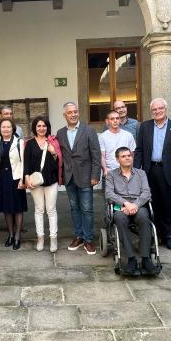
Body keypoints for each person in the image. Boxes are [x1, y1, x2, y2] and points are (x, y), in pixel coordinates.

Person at [134, 98, 171, 250]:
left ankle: (166, 236)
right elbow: (139, 150)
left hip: (167, 172)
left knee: (166, 205)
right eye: (154, 110)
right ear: (151, 111)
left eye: (160, 109)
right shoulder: (144, 127)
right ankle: (153, 235)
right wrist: (135, 171)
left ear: (166, 109)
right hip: (149, 170)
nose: (157, 111)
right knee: (150, 205)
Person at [56, 102, 101, 255]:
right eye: (70, 112)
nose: (73, 114)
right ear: (65, 115)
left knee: (87, 209)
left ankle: (88, 240)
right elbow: (60, 155)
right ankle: (78, 236)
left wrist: (96, 175)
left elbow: (96, 154)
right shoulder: (60, 133)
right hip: (69, 177)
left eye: (75, 111)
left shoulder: (89, 130)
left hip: (86, 177)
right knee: (74, 209)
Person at [105, 147, 156, 275]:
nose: (127, 158)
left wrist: (134, 205)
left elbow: (146, 192)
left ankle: (145, 258)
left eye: (129, 155)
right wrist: (126, 204)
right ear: (118, 159)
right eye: (123, 156)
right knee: (120, 220)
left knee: (145, 218)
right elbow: (109, 193)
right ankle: (131, 258)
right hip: (121, 207)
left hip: (139, 207)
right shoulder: (111, 174)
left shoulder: (141, 173)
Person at [23, 116, 62, 253]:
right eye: (38, 126)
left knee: (51, 210)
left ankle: (53, 239)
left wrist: (54, 152)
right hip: (35, 181)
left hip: (51, 180)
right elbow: (26, 163)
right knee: (39, 210)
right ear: (35, 127)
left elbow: (59, 163)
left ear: (47, 127)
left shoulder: (53, 141)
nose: (41, 128)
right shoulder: (29, 143)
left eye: (44, 126)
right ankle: (40, 238)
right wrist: (26, 179)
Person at [0, 118, 27, 250]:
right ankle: (10, 235)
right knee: (6, 208)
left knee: (17, 208)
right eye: (3, 127)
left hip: (16, 178)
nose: (6, 129)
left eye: (8, 127)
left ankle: (17, 236)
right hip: (2, 178)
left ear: (13, 129)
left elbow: (24, 162)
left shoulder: (20, 142)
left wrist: (23, 179)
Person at [100, 110, 136, 178]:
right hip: (110, 173)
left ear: (119, 120)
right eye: (112, 119)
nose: (115, 120)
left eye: (117, 118)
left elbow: (132, 154)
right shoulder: (102, 137)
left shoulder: (128, 135)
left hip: (126, 173)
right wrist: (105, 170)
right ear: (107, 121)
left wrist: (131, 169)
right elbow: (102, 156)